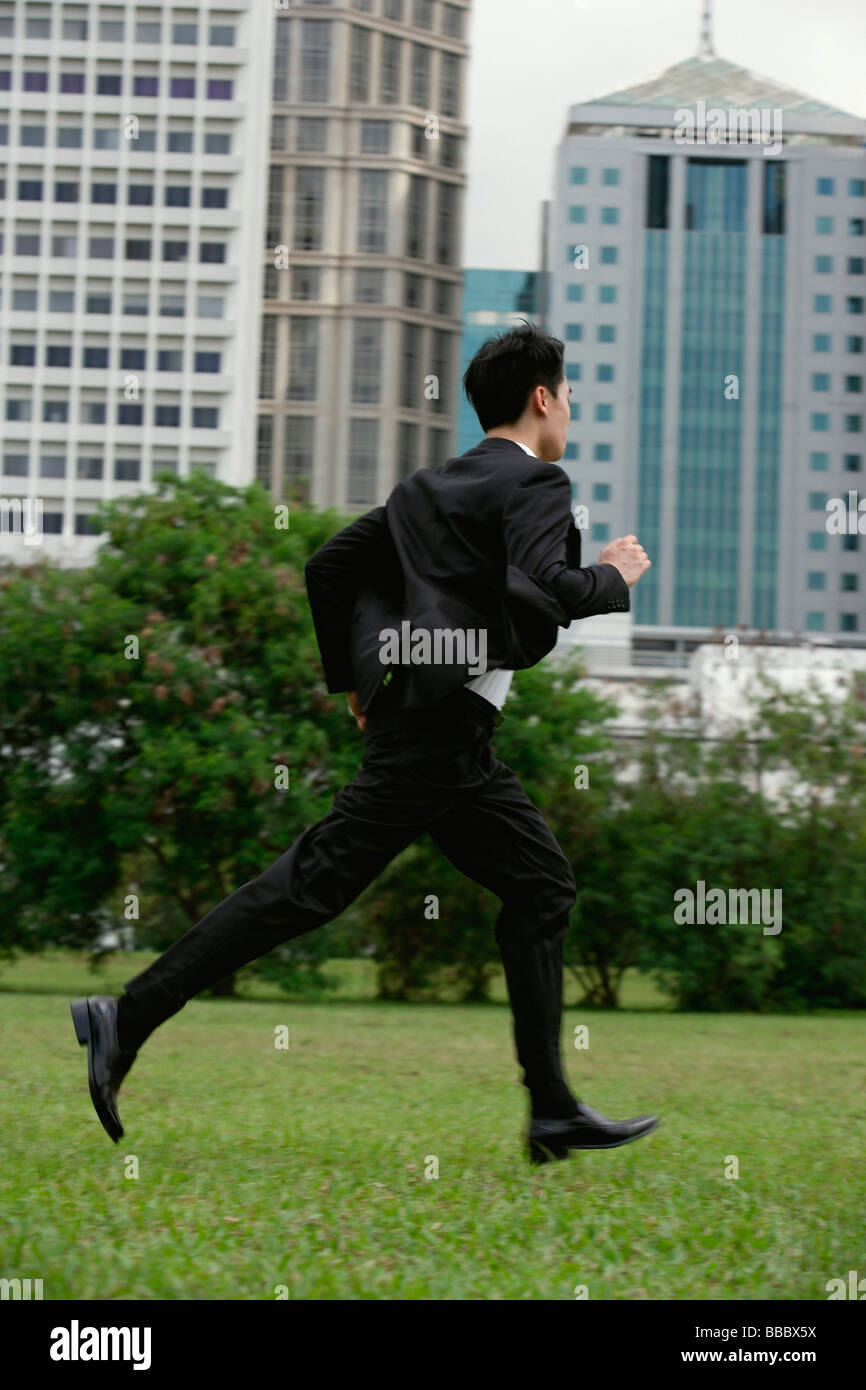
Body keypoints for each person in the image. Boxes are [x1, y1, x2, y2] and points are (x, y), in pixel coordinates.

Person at [71, 321, 659, 1165]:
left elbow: (327, 571)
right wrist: (616, 574)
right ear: (541, 397)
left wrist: (352, 683)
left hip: (451, 739)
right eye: (566, 395)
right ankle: (125, 1016)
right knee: (310, 886)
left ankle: (554, 1109)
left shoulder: (425, 488)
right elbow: (552, 589)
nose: (568, 410)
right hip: (436, 737)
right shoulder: (536, 480)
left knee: (541, 888)